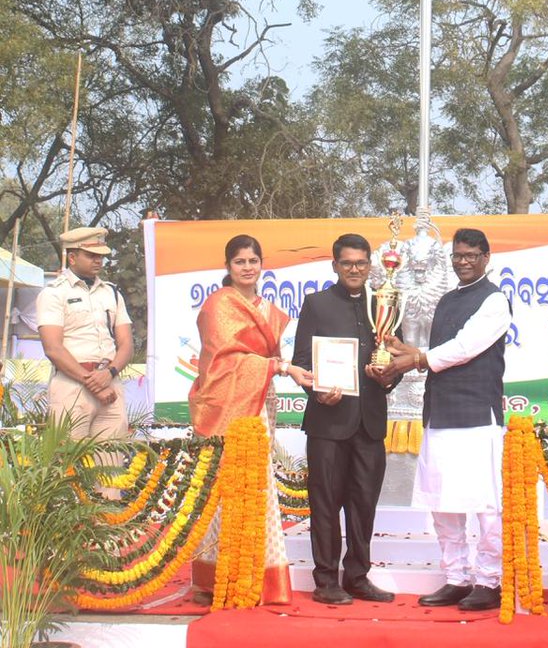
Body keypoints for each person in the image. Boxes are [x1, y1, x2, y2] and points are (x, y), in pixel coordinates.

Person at [381, 227, 512, 613]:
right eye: (458, 255)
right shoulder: (445, 300)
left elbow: (463, 348)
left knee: (486, 504)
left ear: (486, 258)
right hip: (440, 412)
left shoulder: (495, 300)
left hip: (476, 415)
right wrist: (406, 352)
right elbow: (435, 351)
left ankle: (489, 581)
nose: (463, 262)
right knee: (443, 502)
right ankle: (456, 576)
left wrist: (418, 357)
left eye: (471, 255)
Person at [188, 234, 313, 603]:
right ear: (228, 266)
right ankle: (214, 578)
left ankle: (259, 576)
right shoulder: (217, 306)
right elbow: (223, 362)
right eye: (240, 262)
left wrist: (280, 368)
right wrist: (279, 366)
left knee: (257, 485)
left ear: (262, 264)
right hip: (226, 402)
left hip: (258, 400)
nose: (247, 268)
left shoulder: (266, 309)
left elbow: (261, 358)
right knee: (225, 487)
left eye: (253, 261)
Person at [292, 233, 396, 606]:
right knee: (325, 504)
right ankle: (325, 580)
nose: (355, 269)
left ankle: (357, 576)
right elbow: (303, 360)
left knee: (363, 503)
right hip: (328, 422)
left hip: (370, 422)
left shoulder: (383, 304)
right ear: (334, 265)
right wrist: (317, 390)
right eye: (347, 263)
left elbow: (393, 357)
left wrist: (389, 375)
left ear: (371, 265)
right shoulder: (317, 303)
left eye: (361, 263)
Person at [36, 226, 132, 439]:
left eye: (101, 256)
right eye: (91, 255)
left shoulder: (112, 293)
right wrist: (93, 383)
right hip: (72, 384)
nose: (98, 261)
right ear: (72, 258)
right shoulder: (54, 293)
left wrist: (109, 374)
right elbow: (53, 348)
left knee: (111, 464)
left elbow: (126, 344)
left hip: (110, 380)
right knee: (67, 463)